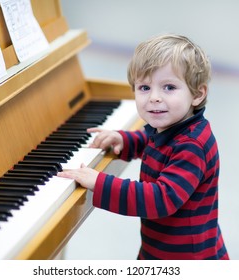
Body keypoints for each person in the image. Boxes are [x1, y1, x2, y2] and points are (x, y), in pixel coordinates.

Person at [57, 34, 229, 260]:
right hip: (161, 248)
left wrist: (101, 183)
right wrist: (125, 140)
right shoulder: (171, 128)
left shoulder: (192, 145)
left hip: (188, 256)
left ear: (197, 94)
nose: (154, 97)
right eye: (145, 87)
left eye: (169, 87)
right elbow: (150, 139)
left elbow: (160, 198)